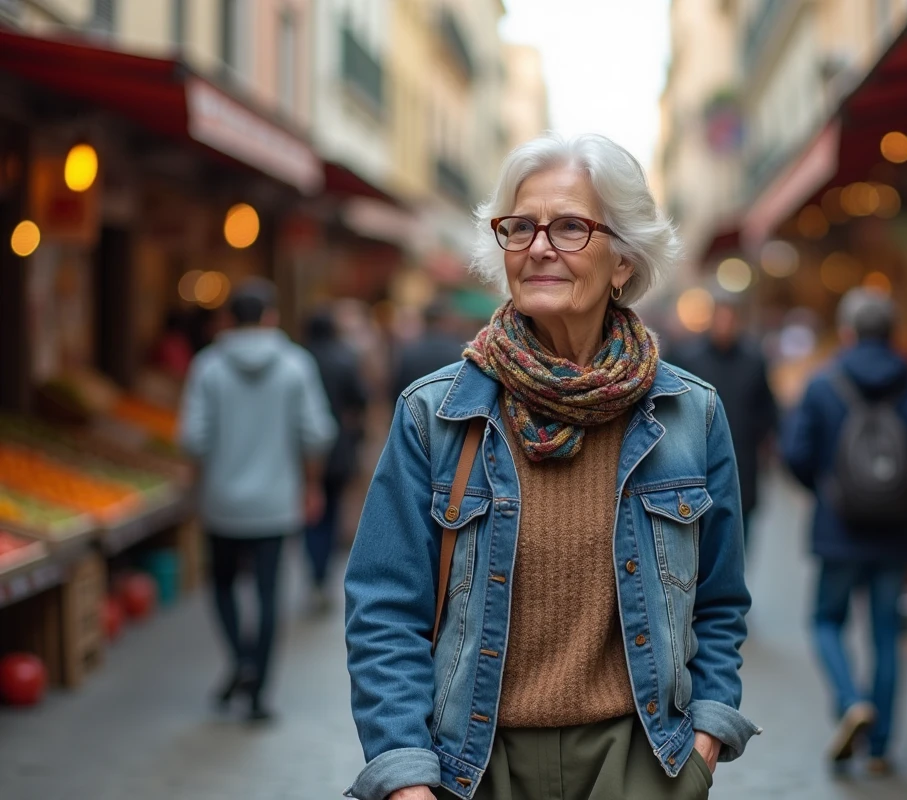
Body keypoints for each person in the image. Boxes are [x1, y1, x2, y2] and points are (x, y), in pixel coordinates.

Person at [345, 133, 758, 800]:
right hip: (473, 769)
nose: (539, 246)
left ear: (623, 259)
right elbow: (384, 608)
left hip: (640, 763)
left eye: (569, 227)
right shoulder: (438, 414)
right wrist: (404, 778)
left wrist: (704, 742)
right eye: (521, 228)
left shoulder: (691, 415)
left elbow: (719, 601)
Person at [780, 288, 907, 775]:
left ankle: (851, 700)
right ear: (892, 333)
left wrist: (828, 491)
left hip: (838, 531)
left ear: (848, 332)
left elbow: (794, 454)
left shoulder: (821, 385)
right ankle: (879, 750)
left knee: (825, 621)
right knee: (885, 636)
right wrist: (904, 498)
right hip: (896, 535)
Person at [179, 279, 336, 722]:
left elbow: (193, 437)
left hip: (220, 502)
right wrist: (310, 486)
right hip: (276, 501)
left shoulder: (207, 366)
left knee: (223, 585)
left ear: (229, 319)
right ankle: (260, 692)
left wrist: (195, 491)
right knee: (270, 593)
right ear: (270, 316)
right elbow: (316, 434)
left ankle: (241, 659)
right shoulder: (294, 365)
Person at [667, 294, 777, 550]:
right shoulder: (687, 357)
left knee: (737, 545)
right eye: (721, 318)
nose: (725, 324)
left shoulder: (754, 360)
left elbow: (767, 412)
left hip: (742, 467)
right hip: (695, 467)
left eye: (731, 319)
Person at [303, 309, 369, 612]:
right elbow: (361, 398)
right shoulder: (344, 358)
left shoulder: (300, 359)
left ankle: (314, 570)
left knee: (308, 512)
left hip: (303, 451)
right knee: (330, 510)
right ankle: (322, 572)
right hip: (339, 447)